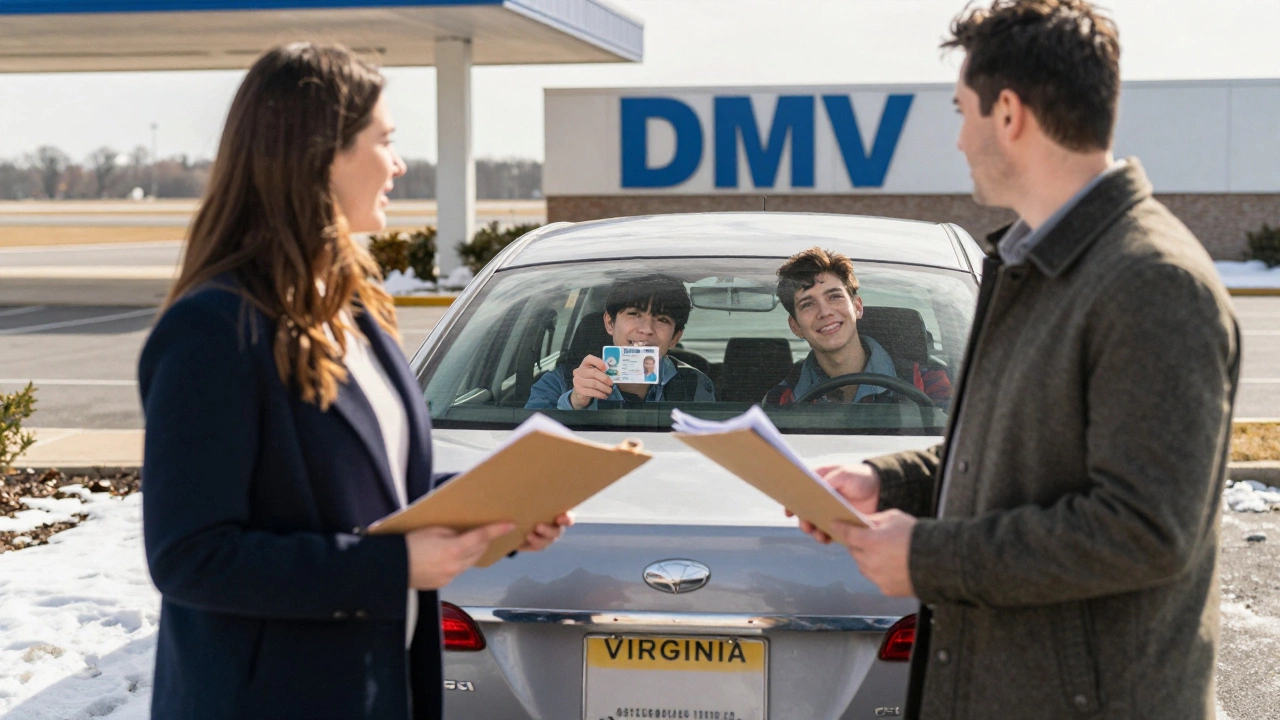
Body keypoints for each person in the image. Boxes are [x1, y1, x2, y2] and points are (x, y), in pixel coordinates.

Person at [792, 3, 1240, 719]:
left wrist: (929, 558)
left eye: (962, 111)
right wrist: (885, 481)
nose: (960, 139)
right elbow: (1009, 457)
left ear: (1009, 114)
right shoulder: (1038, 264)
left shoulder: (1153, 282)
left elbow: (1145, 530)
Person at [138, 43, 569, 720]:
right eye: (385, 141)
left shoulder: (356, 310)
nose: (398, 164)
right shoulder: (214, 330)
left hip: (379, 690)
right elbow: (192, 556)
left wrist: (495, 512)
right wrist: (394, 567)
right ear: (319, 155)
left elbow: (372, 492)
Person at [762, 246, 952, 406]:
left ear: (857, 307)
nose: (825, 312)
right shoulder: (781, 400)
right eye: (808, 304)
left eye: (834, 296)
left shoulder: (927, 383)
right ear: (795, 326)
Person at [525, 274, 716, 409]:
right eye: (634, 314)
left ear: (675, 337)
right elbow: (526, 450)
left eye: (662, 319)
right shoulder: (557, 383)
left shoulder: (695, 385)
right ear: (610, 323)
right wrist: (574, 403)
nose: (646, 329)